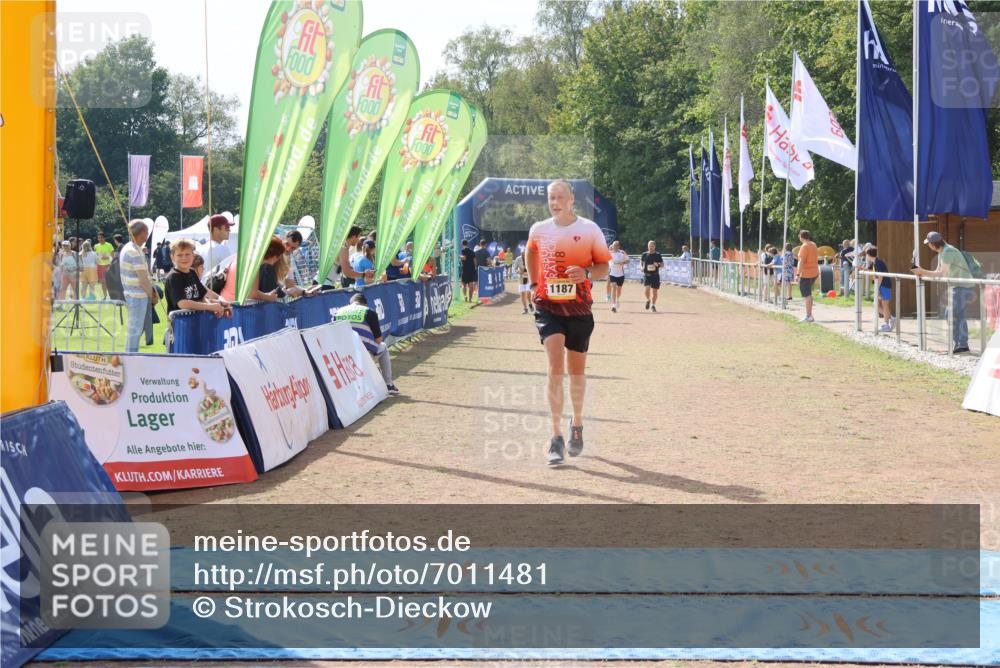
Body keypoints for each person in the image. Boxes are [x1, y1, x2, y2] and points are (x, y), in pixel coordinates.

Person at [524, 180, 611, 466]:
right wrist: (535, 282)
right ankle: (556, 436)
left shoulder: (589, 229)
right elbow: (531, 250)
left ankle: (577, 422)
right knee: (554, 366)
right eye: (551, 197)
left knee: (576, 373)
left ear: (572, 199)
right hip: (548, 306)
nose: (555, 201)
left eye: (561, 196)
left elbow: (603, 267)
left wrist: (585, 273)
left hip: (579, 309)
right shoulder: (539, 229)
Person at [912, 231, 979, 354]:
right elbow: (937, 273)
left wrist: (922, 271)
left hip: (962, 286)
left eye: (928, 244)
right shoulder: (942, 252)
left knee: (950, 313)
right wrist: (922, 273)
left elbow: (942, 273)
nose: (928, 246)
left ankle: (960, 343)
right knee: (959, 315)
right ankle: (962, 344)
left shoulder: (947, 252)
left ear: (933, 244)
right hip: (959, 286)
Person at [333, 292, 399, 395]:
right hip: (362, 353)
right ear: (365, 304)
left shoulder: (338, 312)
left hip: (343, 356)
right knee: (383, 347)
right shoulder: (368, 312)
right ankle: (388, 384)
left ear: (350, 303)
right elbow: (378, 339)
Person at [163, 238, 232, 317]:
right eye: (180, 255)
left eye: (187, 254)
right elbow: (182, 303)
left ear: (193, 256)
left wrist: (218, 303)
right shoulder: (174, 277)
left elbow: (202, 296)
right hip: (180, 324)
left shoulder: (192, 273)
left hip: (196, 321)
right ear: (172, 257)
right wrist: (210, 307)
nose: (184, 258)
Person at [120, 220, 158, 352]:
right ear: (142, 233)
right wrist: (152, 296)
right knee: (135, 332)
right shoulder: (133, 251)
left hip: (135, 295)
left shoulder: (131, 248)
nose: (147, 235)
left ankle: (129, 357)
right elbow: (143, 279)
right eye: (147, 232)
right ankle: (130, 359)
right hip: (137, 296)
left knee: (135, 330)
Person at [220, 235, 288, 303]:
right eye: (279, 256)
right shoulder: (253, 265)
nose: (279, 259)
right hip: (234, 306)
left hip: (226, 301)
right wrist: (269, 297)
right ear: (274, 256)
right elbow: (252, 294)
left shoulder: (243, 258)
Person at [865, 247, 895, 332]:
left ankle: (887, 324)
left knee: (884, 305)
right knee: (876, 305)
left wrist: (877, 289)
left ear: (868, 255)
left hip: (884, 285)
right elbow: (872, 271)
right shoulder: (875, 263)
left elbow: (881, 276)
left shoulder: (878, 263)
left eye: (866, 254)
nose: (866, 256)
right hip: (881, 286)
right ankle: (892, 318)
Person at [796, 230, 819, 323]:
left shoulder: (804, 246)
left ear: (801, 237)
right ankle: (810, 315)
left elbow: (801, 261)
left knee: (807, 295)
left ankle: (809, 316)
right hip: (814, 272)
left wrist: (798, 274)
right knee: (808, 294)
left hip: (806, 274)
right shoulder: (813, 244)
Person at [640, 240, 663, 312]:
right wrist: (641, 268)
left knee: (655, 291)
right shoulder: (644, 254)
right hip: (647, 275)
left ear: (654, 247)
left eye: (652, 246)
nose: (650, 247)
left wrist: (658, 265)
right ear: (648, 246)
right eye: (649, 246)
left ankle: (653, 305)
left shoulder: (658, 254)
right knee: (647, 289)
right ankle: (648, 300)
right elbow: (641, 263)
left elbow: (662, 265)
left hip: (655, 275)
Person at [608, 240, 628, 313]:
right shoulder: (609, 253)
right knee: (613, 286)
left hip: (620, 274)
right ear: (612, 246)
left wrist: (622, 262)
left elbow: (628, 261)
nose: (615, 246)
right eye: (614, 245)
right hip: (612, 273)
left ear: (619, 246)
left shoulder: (622, 253)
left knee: (619, 289)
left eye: (617, 245)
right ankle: (613, 305)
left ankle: (617, 300)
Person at [95, 231, 114, 297]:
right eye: (99, 238)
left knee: (109, 282)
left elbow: (112, 256)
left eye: (101, 238)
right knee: (102, 282)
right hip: (99, 266)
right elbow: (96, 256)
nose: (100, 239)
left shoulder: (109, 245)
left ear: (104, 238)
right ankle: (105, 296)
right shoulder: (96, 246)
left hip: (108, 266)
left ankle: (111, 295)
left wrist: (107, 257)